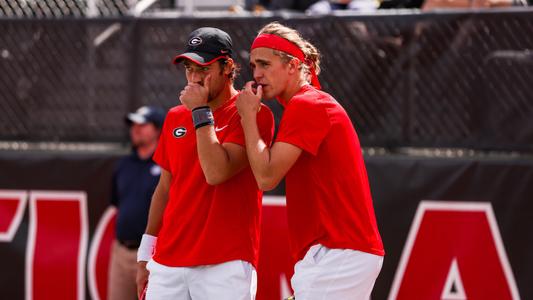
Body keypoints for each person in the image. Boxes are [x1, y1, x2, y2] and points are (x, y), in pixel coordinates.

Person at [236, 22, 385, 299]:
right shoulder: (306, 104)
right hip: (336, 253)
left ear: (292, 66)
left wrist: (247, 117)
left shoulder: (308, 105)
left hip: (338, 252)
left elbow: (266, 177)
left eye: (265, 65)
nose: (256, 74)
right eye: (254, 65)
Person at [135, 27, 274, 300]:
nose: (195, 78)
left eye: (204, 68)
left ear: (228, 67)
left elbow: (217, 172)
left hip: (226, 262)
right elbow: (165, 188)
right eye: (189, 68)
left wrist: (199, 111)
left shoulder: (251, 112)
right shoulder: (175, 116)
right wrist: (145, 254)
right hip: (168, 261)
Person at [108, 105, 166, 300]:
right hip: (122, 252)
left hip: (156, 255)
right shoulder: (124, 165)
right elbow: (117, 202)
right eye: (133, 125)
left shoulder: (166, 164)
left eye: (142, 124)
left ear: (158, 129)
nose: (136, 129)